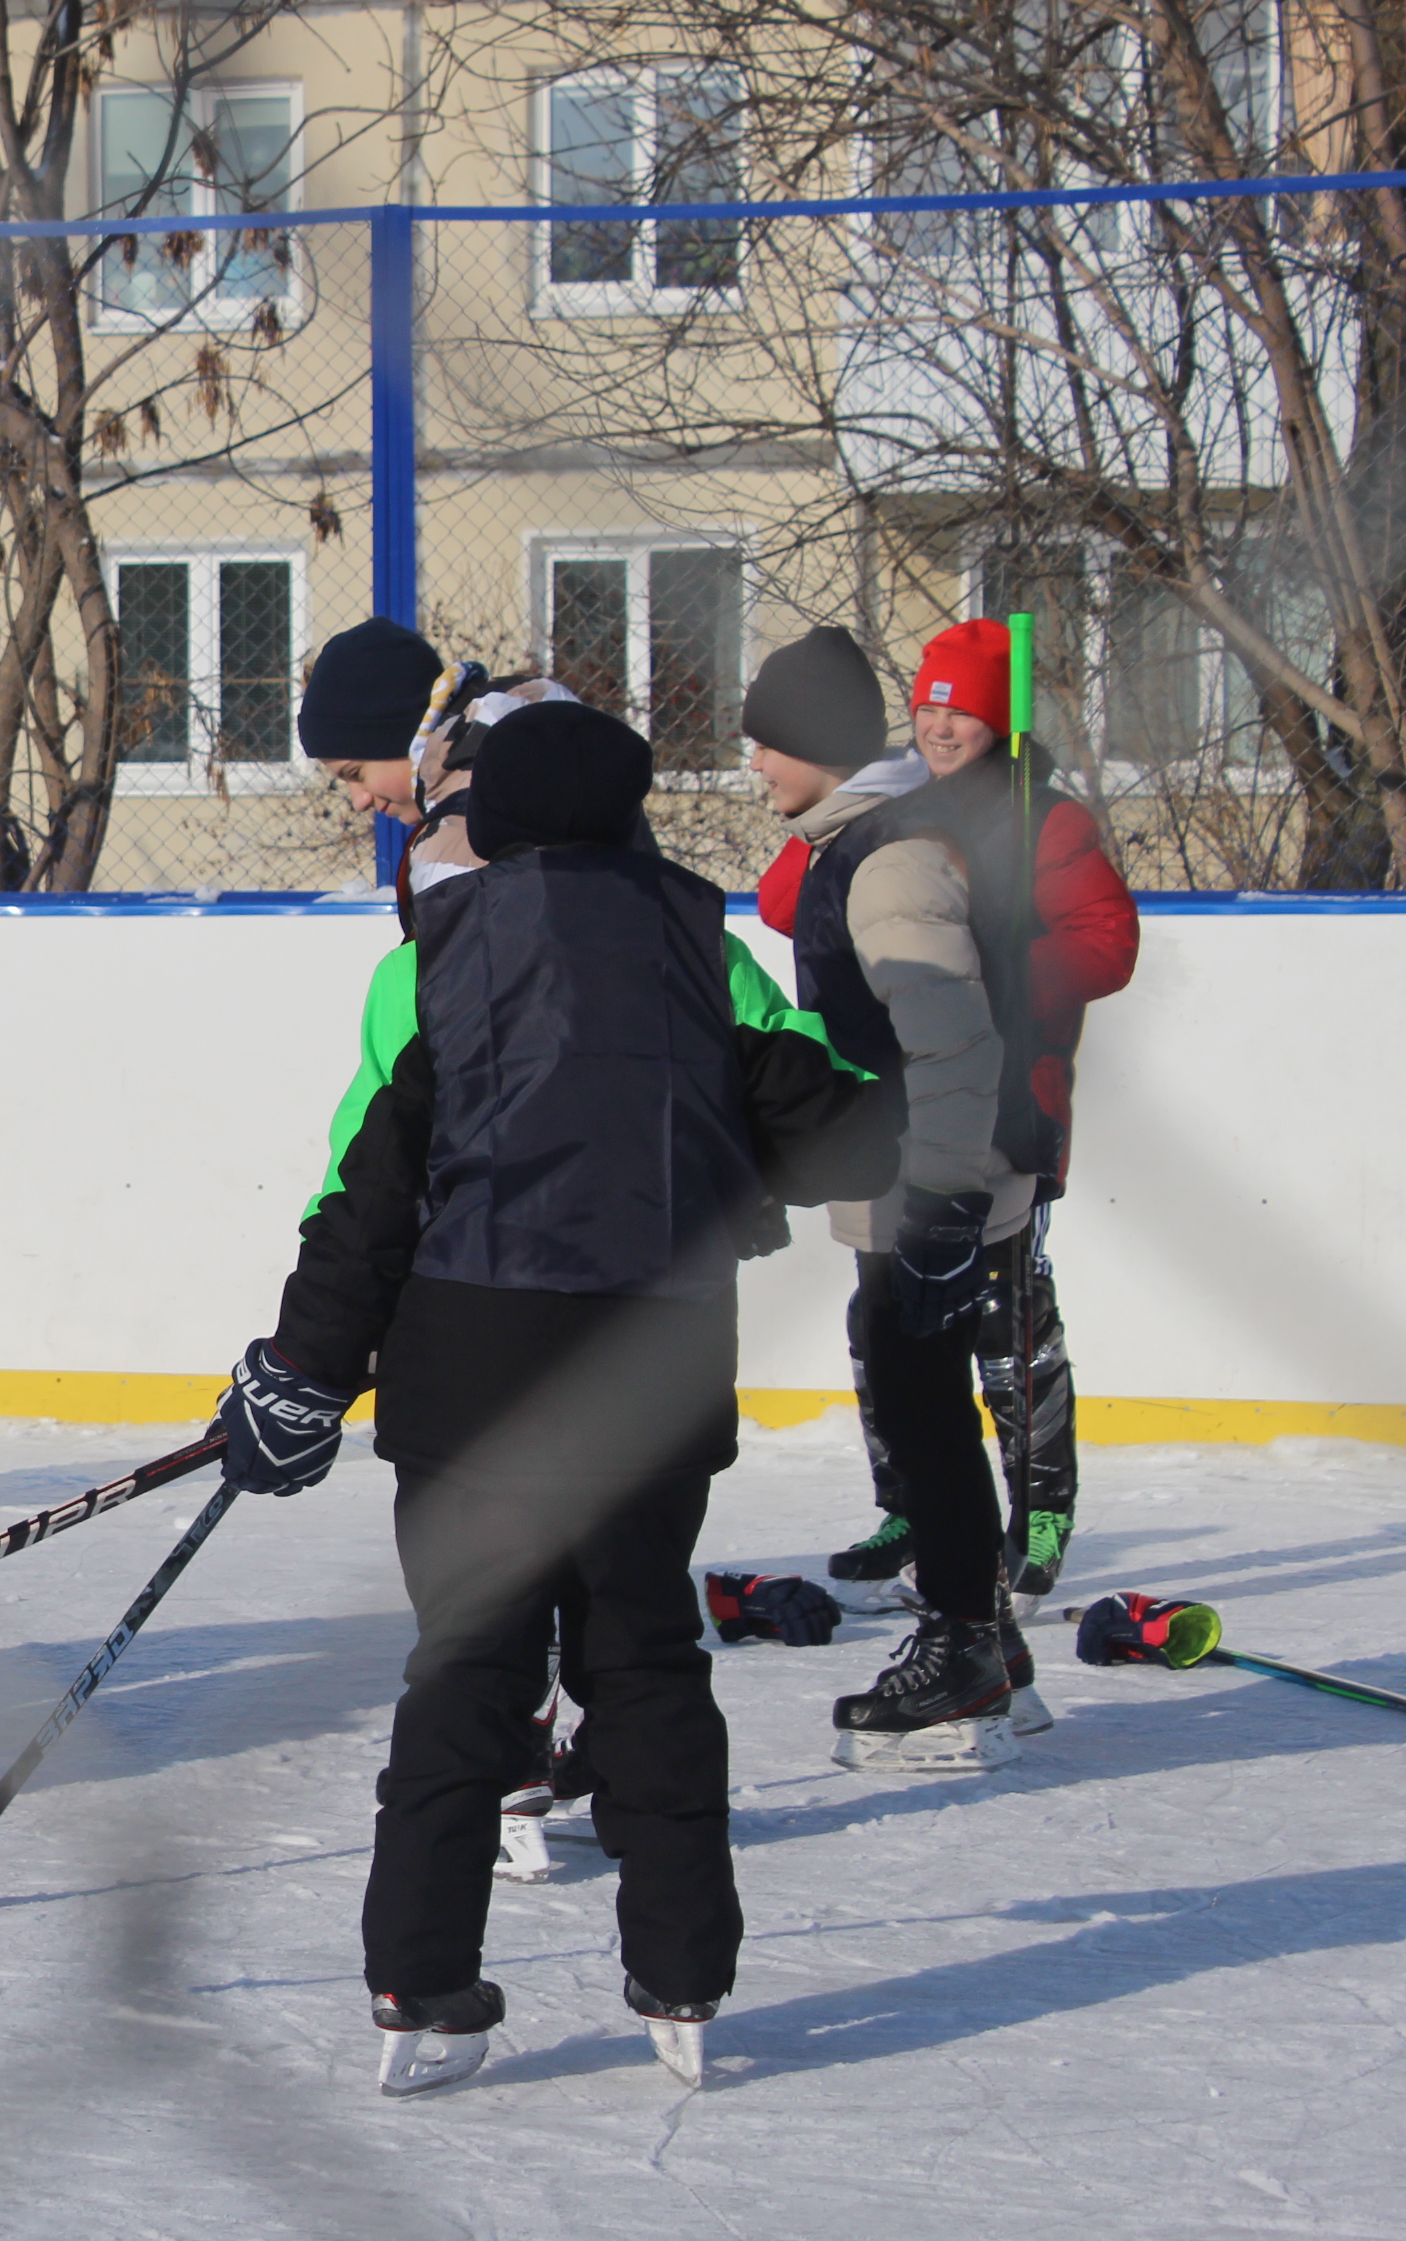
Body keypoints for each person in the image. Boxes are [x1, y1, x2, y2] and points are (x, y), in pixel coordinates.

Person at [211, 701, 899, 2096]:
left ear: (499, 821)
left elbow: (369, 1198)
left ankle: (423, 1987)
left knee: (467, 1670)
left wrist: (301, 1371)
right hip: (647, 1370)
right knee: (644, 1662)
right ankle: (685, 1972)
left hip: (473, 1377)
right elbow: (849, 1133)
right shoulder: (706, 957)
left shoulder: (433, 963)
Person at [741, 622, 1074, 1768]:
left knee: (922, 1402)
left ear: (815, 748)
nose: (754, 770)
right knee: (919, 1391)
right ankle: (990, 1647)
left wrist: (937, 1205)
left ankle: (961, 1651)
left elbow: (952, 1044)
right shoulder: (870, 843)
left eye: (766, 747)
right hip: (927, 1165)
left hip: (936, 1169)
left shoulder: (888, 861)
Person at [759, 621, 1136, 1601]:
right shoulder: (904, 814)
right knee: (886, 1322)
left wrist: (1006, 980)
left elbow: (1108, 940)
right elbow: (785, 901)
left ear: (1000, 719)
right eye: (925, 705)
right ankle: (913, 1501)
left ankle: (1038, 1508)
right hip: (897, 1113)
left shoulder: (1045, 820)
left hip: (1007, 1105)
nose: (938, 724)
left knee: (1006, 1320)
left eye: (959, 707)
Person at [298, 614, 446, 864]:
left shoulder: (484, 842)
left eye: (357, 774)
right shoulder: (467, 827)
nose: (359, 801)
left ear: (412, 738)